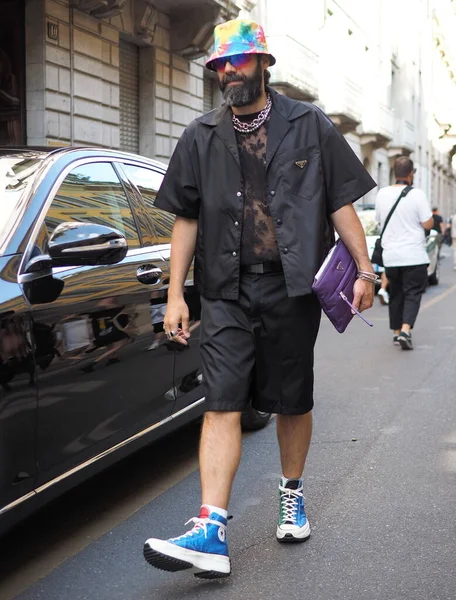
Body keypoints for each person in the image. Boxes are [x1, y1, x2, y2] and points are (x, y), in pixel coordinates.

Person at [143, 18, 377, 579]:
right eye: (221, 64)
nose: (228, 72)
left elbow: (342, 201)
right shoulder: (200, 134)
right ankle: (211, 528)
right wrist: (176, 293)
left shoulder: (309, 125)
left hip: (292, 286)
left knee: (292, 398)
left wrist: (365, 268)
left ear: (264, 63)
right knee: (221, 401)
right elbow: (187, 217)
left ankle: (291, 494)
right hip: (224, 288)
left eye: (238, 61)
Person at [375, 156, 433, 350]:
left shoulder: (382, 194)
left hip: (391, 256)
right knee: (412, 294)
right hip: (414, 255)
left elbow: (379, 220)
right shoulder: (418, 195)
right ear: (411, 173)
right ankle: (406, 330)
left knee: (396, 293)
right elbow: (428, 224)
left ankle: (396, 332)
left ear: (394, 171)